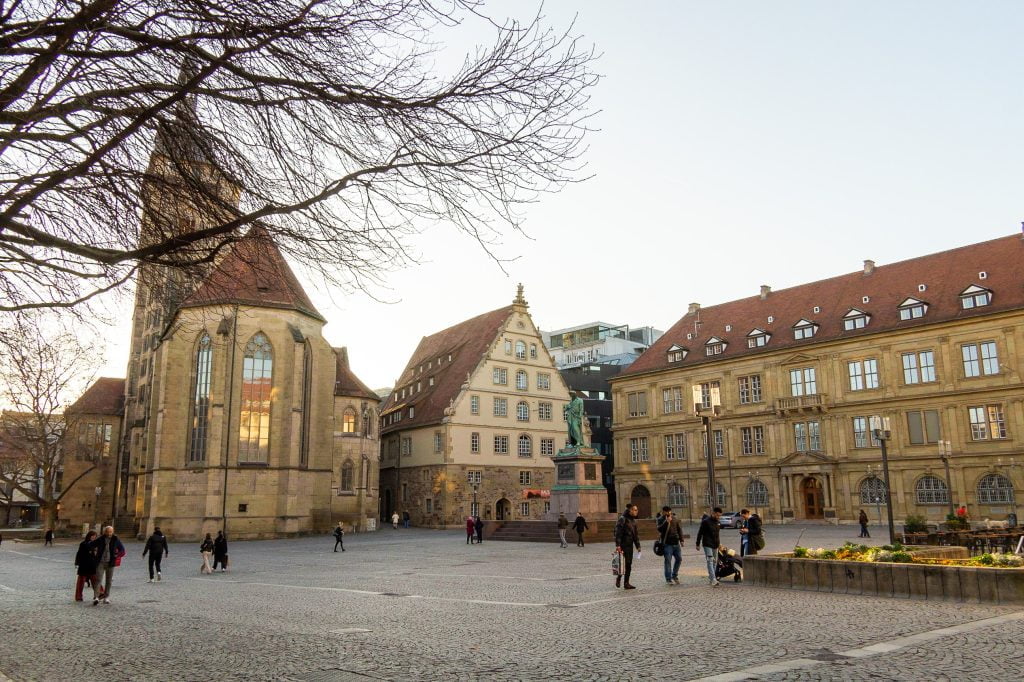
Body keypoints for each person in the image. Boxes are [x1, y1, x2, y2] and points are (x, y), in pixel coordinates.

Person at [89, 525, 125, 604]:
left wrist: (116, 555)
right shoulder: (100, 539)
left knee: (108, 581)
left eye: (111, 532)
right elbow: (90, 545)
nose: (109, 533)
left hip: (110, 563)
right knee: (98, 580)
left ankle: (106, 597)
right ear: (105, 532)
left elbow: (122, 550)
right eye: (108, 532)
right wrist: (94, 552)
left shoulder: (116, 539)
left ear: (113, 532)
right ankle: (96, 597)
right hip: (100, 562)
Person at [614, 504, 641, 589]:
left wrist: (638, 546)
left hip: (630, 546)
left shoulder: (633, 521)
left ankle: (626, 583)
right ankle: (619, 577)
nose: (636, 511)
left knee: (629, 564)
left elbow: (635, 535)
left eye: (636, 510)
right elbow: (618, 533)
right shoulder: (622, 519)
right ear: (630, 510)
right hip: (622, 545)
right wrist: (618, 545)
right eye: (634, 510)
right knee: (622, 564)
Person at [657, 506, 685, 585]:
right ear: (663, 512)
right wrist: (666, 522)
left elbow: (679, 529)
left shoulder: (675, 518)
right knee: (668, 561)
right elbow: (659, 529)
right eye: (666, 512)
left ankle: (674, 575)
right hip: (667, 544)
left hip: (676, 543)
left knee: (679, 559)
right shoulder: (660, 519)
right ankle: (668, 579)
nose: (668, 513)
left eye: (669, 512)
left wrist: (681, 540)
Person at [696, 507, 723, 587]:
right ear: (713, 513)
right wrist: (697, 544)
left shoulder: (718, 522)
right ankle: (714, 579)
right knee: (710, 560)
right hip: (707, 544)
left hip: (715, 545)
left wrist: (719, 544)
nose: (718, 517)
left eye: (719, 516)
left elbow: (717, 535)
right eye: (717, 515)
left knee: (715, 562)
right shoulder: (705, 522)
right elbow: (700, 533)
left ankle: (712, 578)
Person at [74, 530, 99, 602]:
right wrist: (77, 563)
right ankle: (78, 596)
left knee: (95, 580)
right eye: (92, 536)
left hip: (92, 565)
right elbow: (79, 554)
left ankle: (100, 593)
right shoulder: (83, 544)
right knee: (81, 582)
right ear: (89, 536)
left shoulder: (96, 544)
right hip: (83, 565)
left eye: (95, 536)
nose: (94, 537)